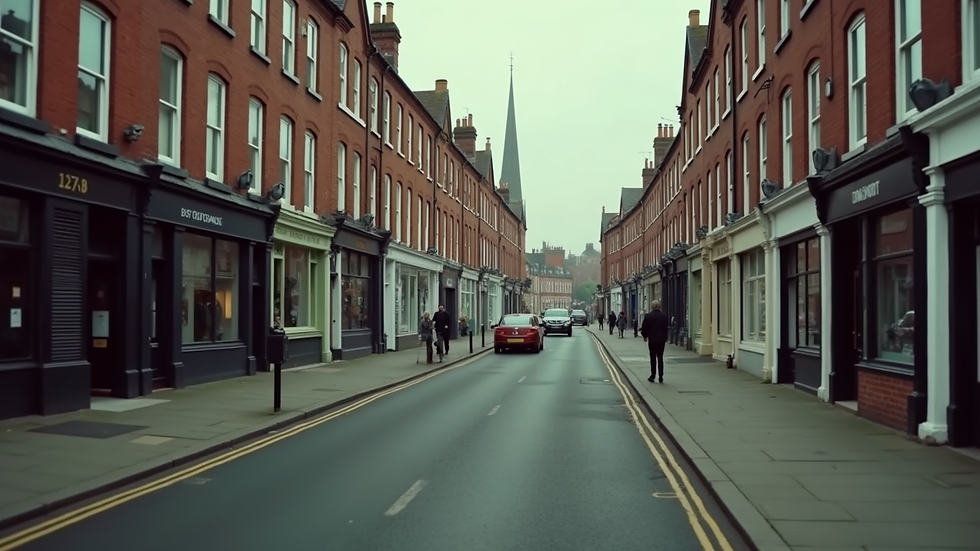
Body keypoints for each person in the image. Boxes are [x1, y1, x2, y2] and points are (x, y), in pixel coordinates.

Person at [641, 300, 671, 383]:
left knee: (653, 357)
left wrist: (645, 336)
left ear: (652, 307)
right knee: (660, 357)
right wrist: (665, 338)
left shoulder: (648, 316)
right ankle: (661, 376)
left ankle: (653, 376)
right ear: (659, 307)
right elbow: (666, 329)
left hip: (652, 340)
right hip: (661, 340)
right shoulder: (664, 316)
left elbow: (644, 327)